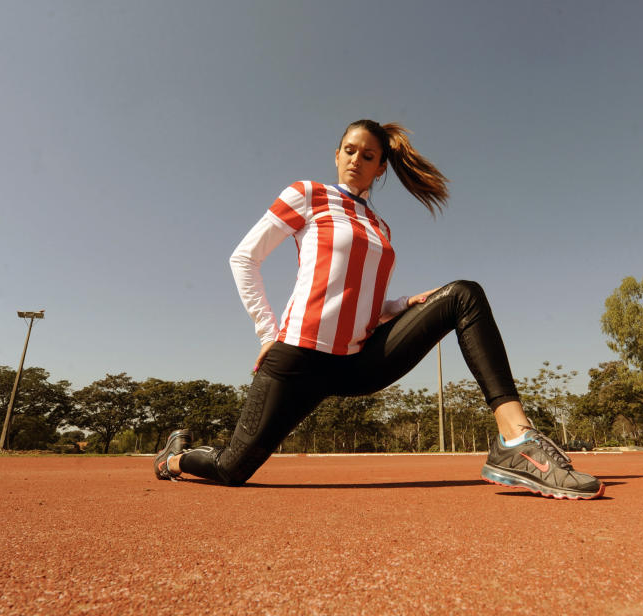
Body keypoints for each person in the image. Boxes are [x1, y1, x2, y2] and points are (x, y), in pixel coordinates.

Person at [153, 119, 603, 500]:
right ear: (336, 154)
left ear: (380, 167)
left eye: (368, 156)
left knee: (463, 294)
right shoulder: (307, 194)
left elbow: (363, 303)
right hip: (297, 359)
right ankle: (174, 456)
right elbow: (243, 258)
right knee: (232, 468)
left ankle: (516, 440)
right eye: (349, 150)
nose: (356, 159)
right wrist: (267, 333)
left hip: (358, 362)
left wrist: (403, 304)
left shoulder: (379, 226)